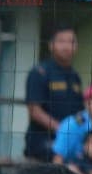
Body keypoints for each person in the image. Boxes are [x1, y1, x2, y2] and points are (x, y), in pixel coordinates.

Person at [26, 25, 85, 162]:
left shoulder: (75, 76)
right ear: (51, 45)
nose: (66, 46)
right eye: (61, 41)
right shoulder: (40, 72)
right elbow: (35, 111)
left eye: (71, 42)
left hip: (71, 140)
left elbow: (80, 112)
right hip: (44, 140)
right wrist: (63, 130)